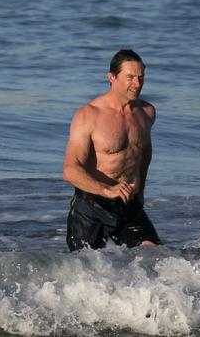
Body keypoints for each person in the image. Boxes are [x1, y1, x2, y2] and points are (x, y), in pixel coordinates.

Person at [62, 49, 161, 251]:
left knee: (154, 256)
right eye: (130, 77)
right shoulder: (88, 115)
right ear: (111, 77)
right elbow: (70, 170)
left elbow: (143, 155)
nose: (137, 84)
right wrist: (107, 190)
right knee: (84, 268)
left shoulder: (146, 112)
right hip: (92, 204)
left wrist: (140, 191)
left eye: (141, 78)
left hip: (127, 203)